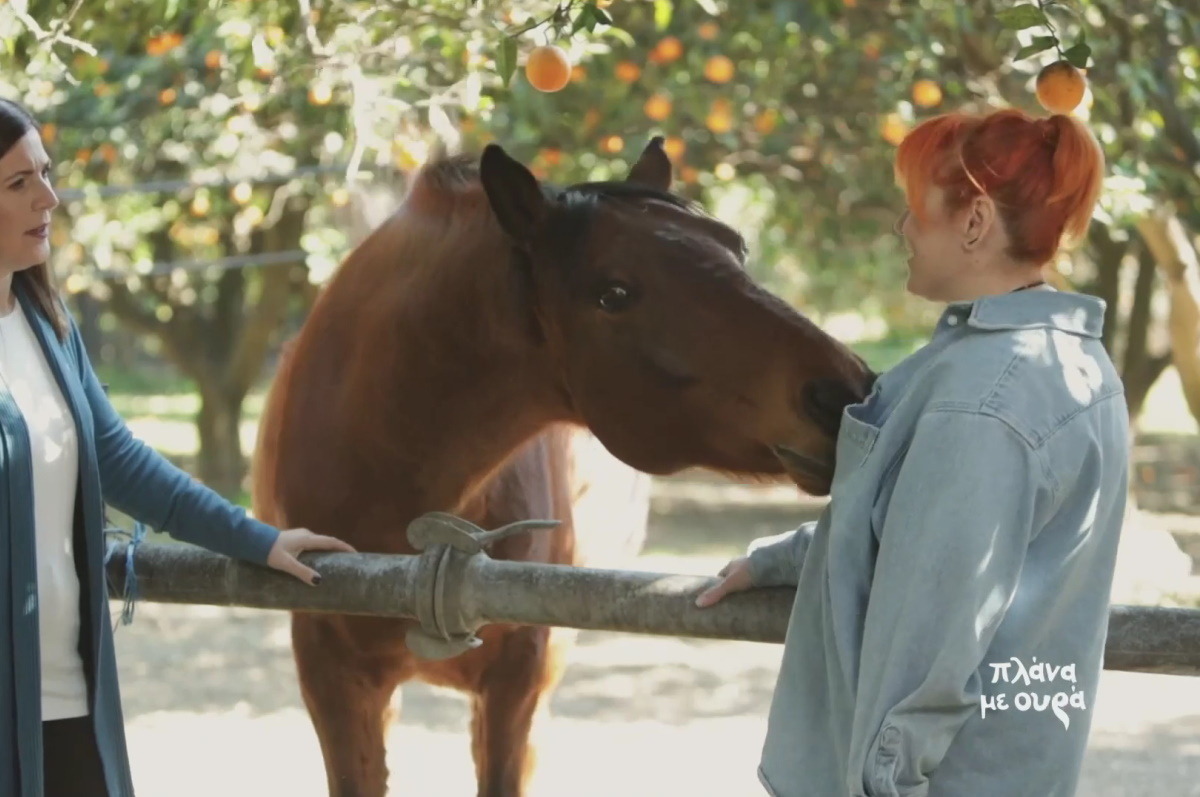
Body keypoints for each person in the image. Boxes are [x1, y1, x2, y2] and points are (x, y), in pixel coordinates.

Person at [696, 107, 1129, 797]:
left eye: (915, 208)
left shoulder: (983, 399)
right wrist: (779, 560)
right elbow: (924, 531)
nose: (903, 227)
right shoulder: (1073, 365)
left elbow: (929, 645)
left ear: (975, 221)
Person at [0, 97, 357, 797]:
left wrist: (256, 538)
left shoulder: (48, 323)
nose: (50, 196)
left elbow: (125, 462)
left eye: (46, 171)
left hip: (71, 690)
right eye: (17, 183)